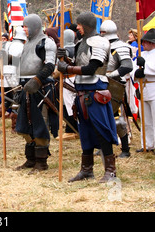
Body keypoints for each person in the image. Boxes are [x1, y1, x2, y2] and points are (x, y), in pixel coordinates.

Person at [57, 12, 119, 183]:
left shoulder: (99, 42)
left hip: (96, 92)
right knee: (85, 132)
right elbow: (79, 66)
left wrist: (67, 69)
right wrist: (66, 60)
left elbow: (92, 68)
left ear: (88, 25)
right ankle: (87, 170)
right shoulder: (80, 43)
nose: (77, 27)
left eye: (80, 24)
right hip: (82, 92)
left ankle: (110, 171)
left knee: (102, 131)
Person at [12, 14, 56, 173]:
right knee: (24, 126)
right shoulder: (27, 44)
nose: (24, 29)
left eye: (26, 26)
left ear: (35, 26)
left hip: (40, 89)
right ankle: (30, 159)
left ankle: (41, 162)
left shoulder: (46, 43)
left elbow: (50, 66)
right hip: (25, 88)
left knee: (39, 125)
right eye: (23, 26)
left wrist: (37, 79)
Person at [100, 20, 134, 158]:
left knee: (117, 119)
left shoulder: (121, 46)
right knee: (101, 117)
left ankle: (125, 148)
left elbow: (127, 66)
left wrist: (110, 75)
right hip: (100, 83)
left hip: (115, 86)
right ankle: (104, 145)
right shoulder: (100, 45)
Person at [59, 29, 79, 140]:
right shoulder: (77, 47)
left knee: (69, 105)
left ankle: (71, 130)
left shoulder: (65, 50)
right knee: (74, 104)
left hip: (68, 79)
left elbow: (60, 65)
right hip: (76, 78)